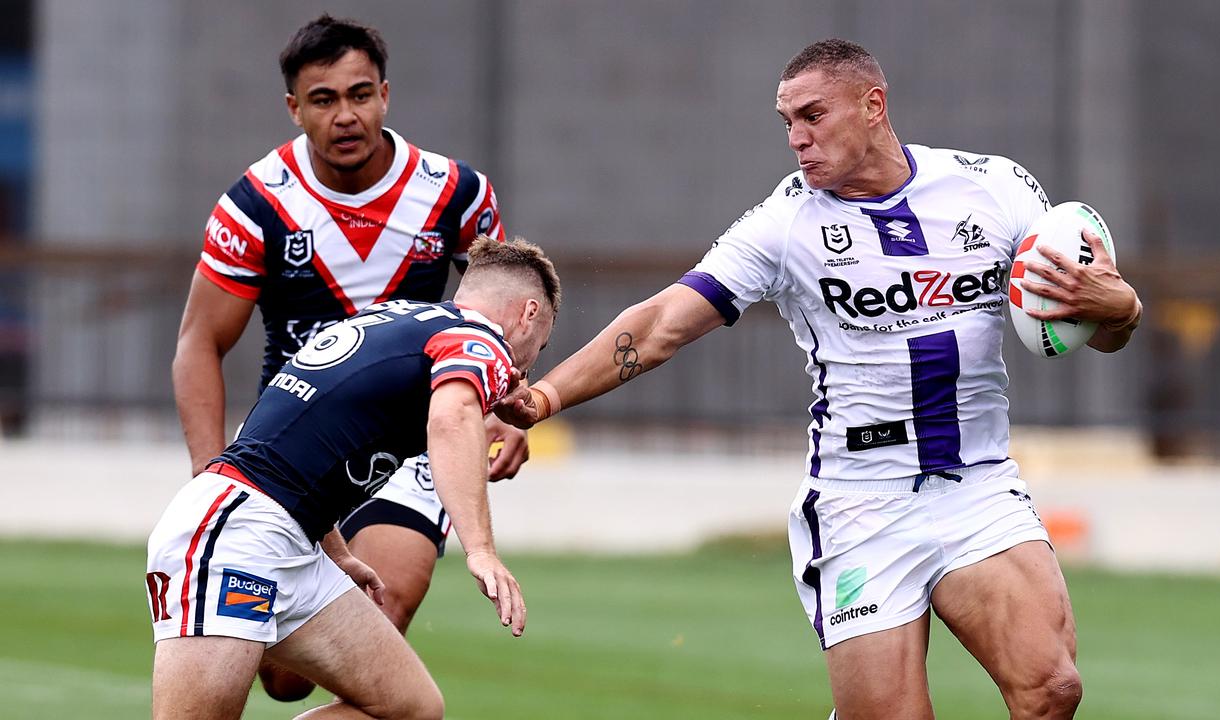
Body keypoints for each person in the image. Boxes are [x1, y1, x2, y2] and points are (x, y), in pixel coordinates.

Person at [496, 40, 1142, 720]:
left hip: (977, 482)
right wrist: (543, 398)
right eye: (786, 123)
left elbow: (1091, 326)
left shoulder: (997, 187)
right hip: (859, 501)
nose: (797, 140)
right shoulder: (786, 223)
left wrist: (1121, 308)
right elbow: (661, 323)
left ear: (873, 106)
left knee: (1053, 689)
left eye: (812, 116)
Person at [171, 14, 529, 700]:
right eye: (325, 99)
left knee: (382, 608)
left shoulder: (456, 194)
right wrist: (207, 472)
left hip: (410, 451)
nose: (346, 115)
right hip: (296, 439)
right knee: (281, 679)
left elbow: (502, 311)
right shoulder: (257, 204)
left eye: (360, 95)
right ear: (294, 107)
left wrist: (511, 410)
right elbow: (199, 342)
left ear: (386, 96)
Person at [148, 237, 559, 720]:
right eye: (543, 345)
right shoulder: (481, 339)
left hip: (293, 540)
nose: (528, 364)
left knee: (410, 708)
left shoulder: (399, 318)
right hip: (236, 538)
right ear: (529, 313)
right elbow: (452, 420)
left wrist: (338, 552)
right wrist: (481, 549)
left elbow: (293, 437)